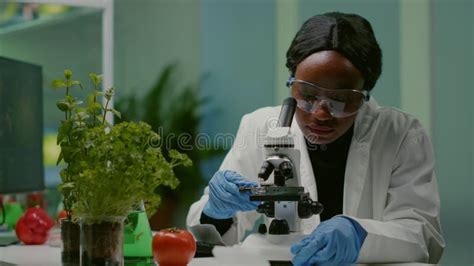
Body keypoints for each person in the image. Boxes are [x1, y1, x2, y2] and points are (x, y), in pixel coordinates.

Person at [186, 12, 445, 265]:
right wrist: (216, 212)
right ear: (292, 83)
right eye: (307, 95)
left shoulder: (401, 134)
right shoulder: (260, 126)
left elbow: (423, 237)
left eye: (341, 100)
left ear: (364, 93)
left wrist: (360, 235)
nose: (321, 114)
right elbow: (208, 239)